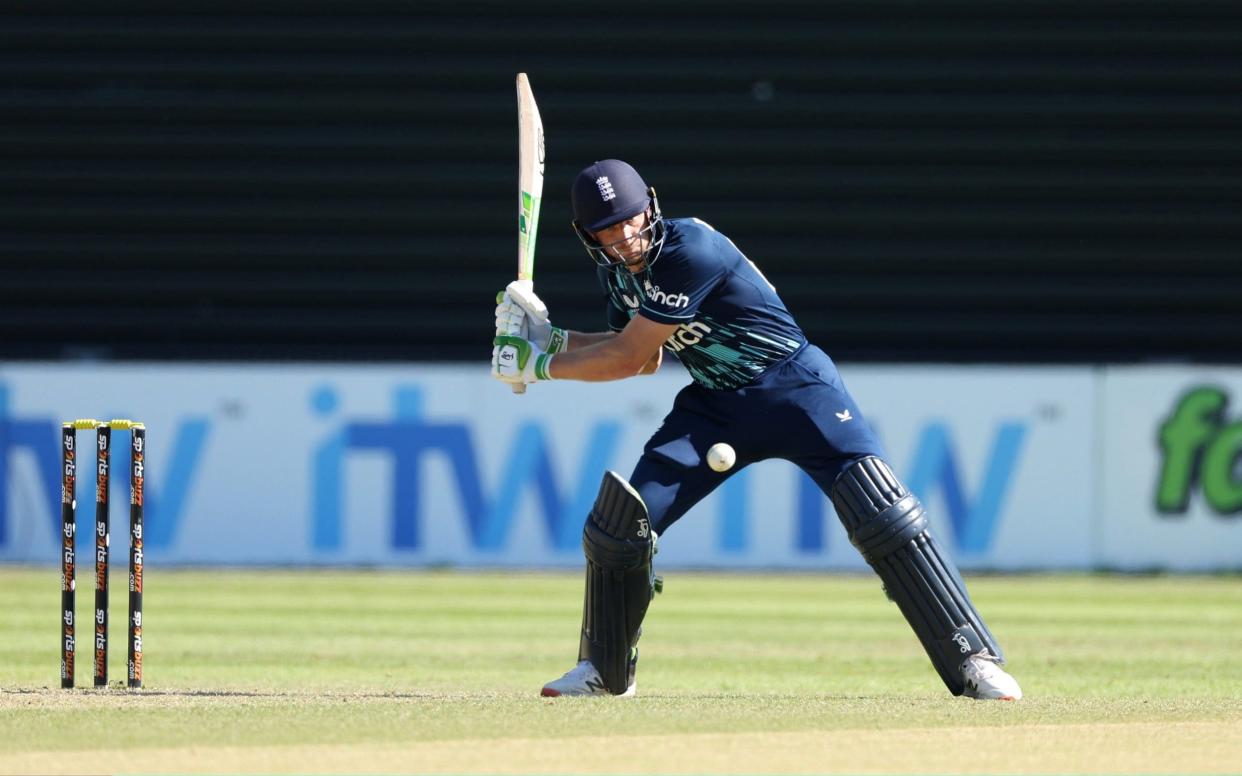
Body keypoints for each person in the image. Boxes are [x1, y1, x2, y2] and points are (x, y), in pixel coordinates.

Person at [491, 159, 1022, 701]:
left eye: (632, 218)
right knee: (620, 527)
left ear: (651, 205)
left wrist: (536, 365)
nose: (625, 236)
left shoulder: (688, 249)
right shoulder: (618, 273)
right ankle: (604, 672)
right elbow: (646, 357)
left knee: (885, 516)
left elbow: (627, 357)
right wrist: (548, 338)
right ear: (588, 236)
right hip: (717, 405)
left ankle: (974, 661)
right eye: (609, 228)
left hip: (797, 389)